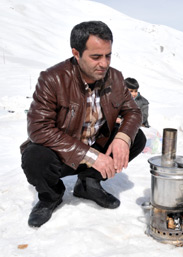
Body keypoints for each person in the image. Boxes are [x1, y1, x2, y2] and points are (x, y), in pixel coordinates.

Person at [20, 21, 146, 228]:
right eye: (96, 57)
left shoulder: (114, 77)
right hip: (62, 155)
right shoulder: (52, 79)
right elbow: (38, 128)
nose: (104, 63)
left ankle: (88, 183)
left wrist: (123, 139)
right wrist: (91, 156)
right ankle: (50, 196)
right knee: (35, 156)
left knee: (136, 137)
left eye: (108, 55)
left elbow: (133, 111)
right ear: (76, 54)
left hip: (95, 145)